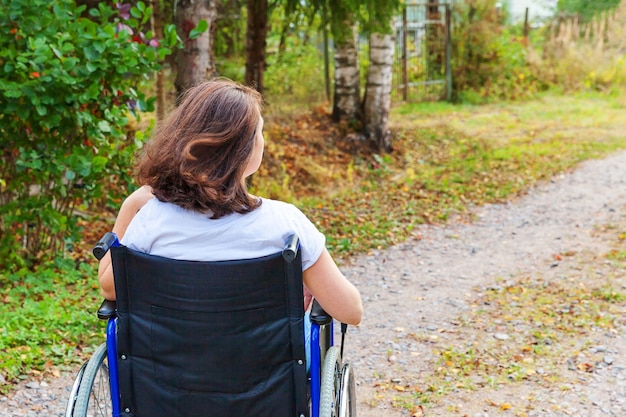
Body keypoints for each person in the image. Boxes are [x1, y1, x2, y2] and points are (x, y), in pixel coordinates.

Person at [97, 79, 362, 333]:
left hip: (165, 373)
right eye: (260, 132)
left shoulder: (152, 220)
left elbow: (110, 288)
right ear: (243, 150)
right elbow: (351, 311)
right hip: (267, 374)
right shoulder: (285, 224)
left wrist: (131, 205)